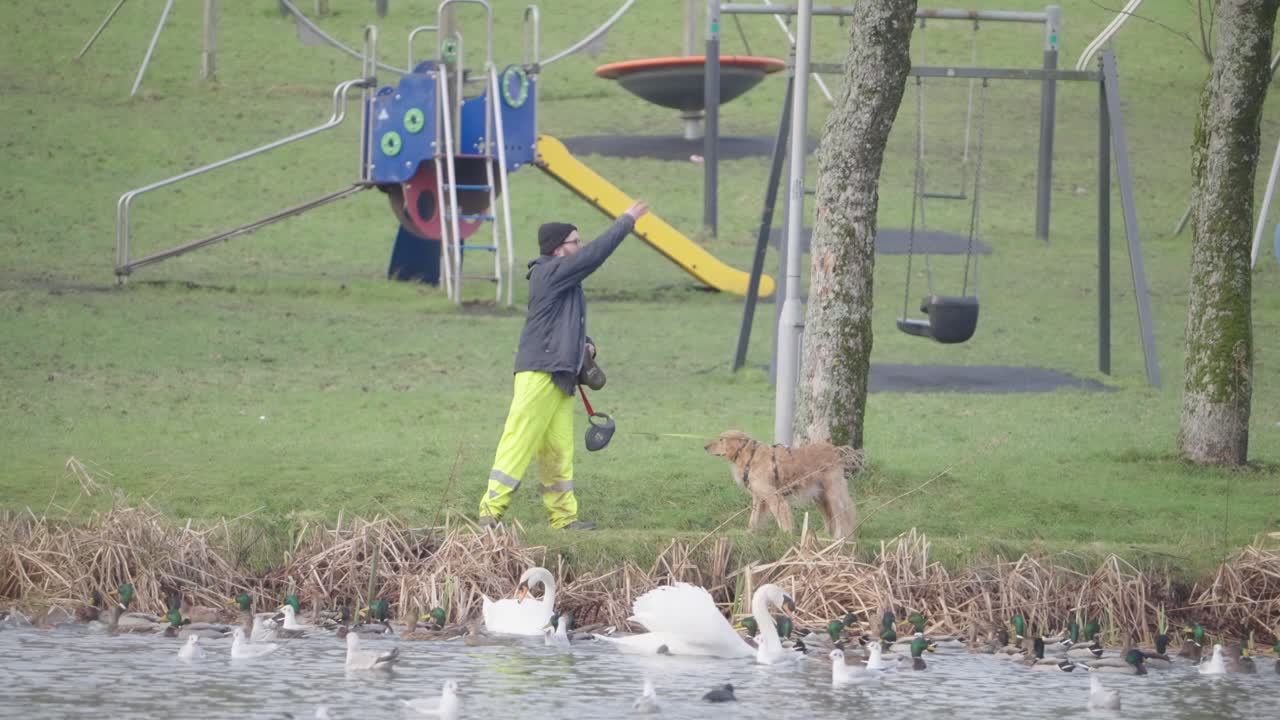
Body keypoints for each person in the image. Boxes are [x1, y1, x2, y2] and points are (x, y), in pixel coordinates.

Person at [477, 200, 651, 530]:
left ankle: (564, 519)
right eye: (575, 241)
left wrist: (586, 343)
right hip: (540, 374)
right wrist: (625, 221)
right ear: (560, 249)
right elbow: (594, 255)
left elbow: (564, 323)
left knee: (558, 450)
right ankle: (489, 515)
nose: (581, 247)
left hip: (561, 376)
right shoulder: (550, 272)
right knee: (518, 443)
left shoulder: (561, 281)